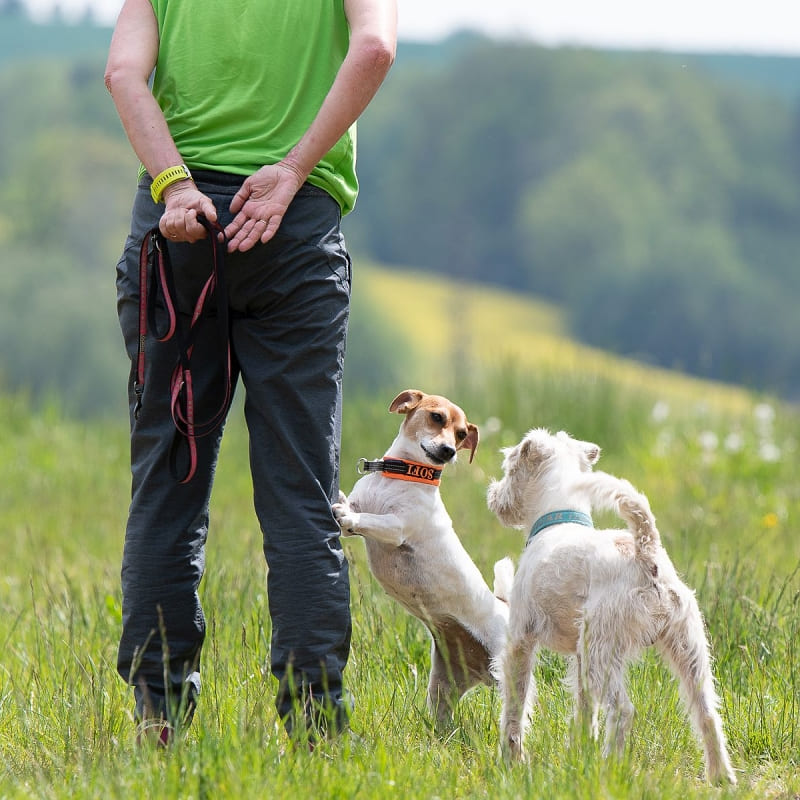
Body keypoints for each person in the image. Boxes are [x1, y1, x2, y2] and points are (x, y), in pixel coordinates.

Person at [104, 0, 396, 743]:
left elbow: (122, 73)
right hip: (291, 228)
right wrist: (295, 168)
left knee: (168, 486)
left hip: (180, 231)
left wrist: (173, 184)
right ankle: (314, 729)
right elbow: (374, 50)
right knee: (301, 496)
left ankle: (158, 719)